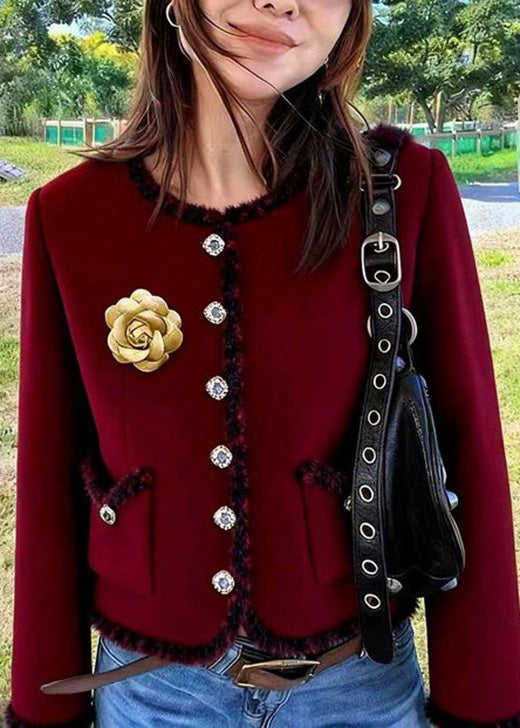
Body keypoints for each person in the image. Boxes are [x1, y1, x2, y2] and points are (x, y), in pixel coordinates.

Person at [4, 0, 520, 726]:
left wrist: (482, 703)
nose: (280, 0)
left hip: (360, 688)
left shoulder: (403, 189)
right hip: (152, 695)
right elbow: (50, 473)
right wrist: (42, 707)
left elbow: (465, 453)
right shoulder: (70, 214)